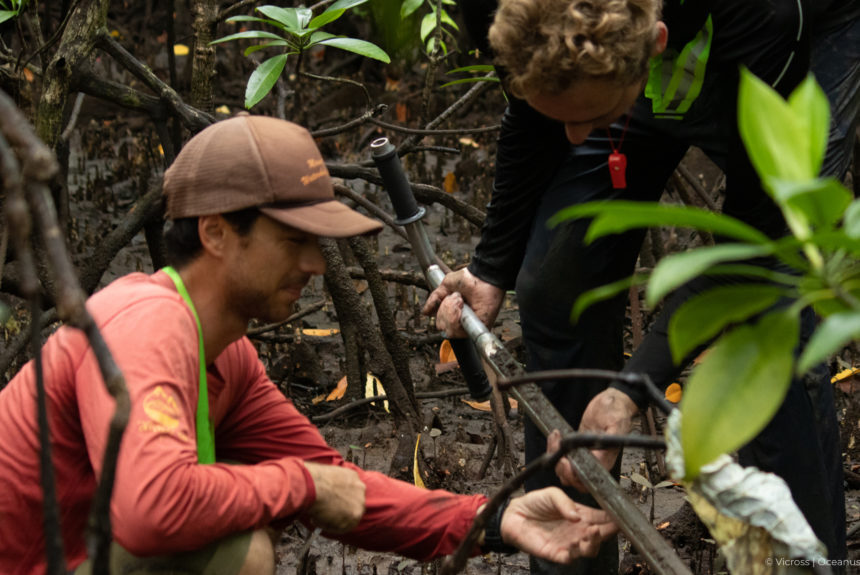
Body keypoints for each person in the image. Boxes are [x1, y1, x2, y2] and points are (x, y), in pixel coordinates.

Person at [0, 115, 620, 575]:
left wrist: (495, 520)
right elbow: (152, 509)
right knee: (237, 555)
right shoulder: (147, 323)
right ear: (217, 233)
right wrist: (300, 487)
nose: (314, 265)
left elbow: (337, 484)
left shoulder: (226, 353)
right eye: (293, 239)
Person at [425, 0, 860, 573]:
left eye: (584, 116)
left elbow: (756, 250)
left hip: (804, 37)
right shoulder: (505, 10)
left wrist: (632, 387)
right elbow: (534, 111)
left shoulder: (763, 16)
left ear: (653, 47)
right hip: (640, 75)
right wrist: (490, 268)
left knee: (771, 312)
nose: (573, 136)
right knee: (558, 282)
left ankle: (802, 561)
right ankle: (568, 549)